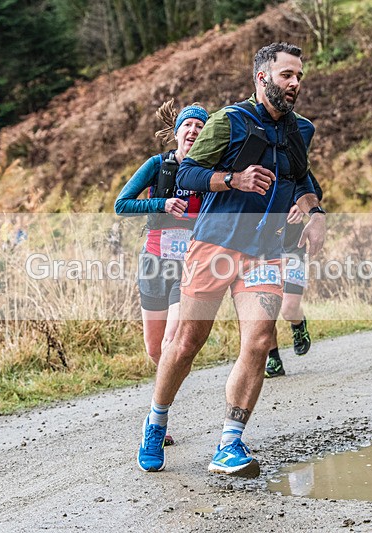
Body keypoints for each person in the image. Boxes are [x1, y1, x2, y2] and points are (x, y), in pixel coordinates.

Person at [136, 42, 325, 477]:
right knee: (186, 344)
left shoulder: (300, 130)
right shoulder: (229, 121)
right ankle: (156, 420)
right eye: (287, 75)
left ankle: (229, 444)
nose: (296, 83)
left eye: (299, 75)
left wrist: (315, 213)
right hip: (215, 246)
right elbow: (187, 173)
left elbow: (301, 177)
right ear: (263, 78)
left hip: (265, 251)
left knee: (259, 342)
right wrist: (232, 178)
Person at [115, 101, 208, 444]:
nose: (193, 132)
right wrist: (161, 203)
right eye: (188, 126)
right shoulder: (157, 166)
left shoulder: (208, 174)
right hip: (154, 263)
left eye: (200, 128)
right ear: (178, 131)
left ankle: (157, 421)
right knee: (155, 350)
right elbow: (121, 204)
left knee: (172, 341)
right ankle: (162, 403)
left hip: (188, 268)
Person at [265, 173, 323, 379]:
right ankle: (273, 358)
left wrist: (301, 206)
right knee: (265, 308)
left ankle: (298, 324)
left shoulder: (288, 158)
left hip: (293, 247)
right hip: (261, 250)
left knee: (288, 309)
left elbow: (314, 191)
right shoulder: (246, 161)